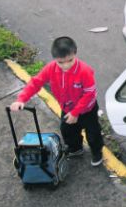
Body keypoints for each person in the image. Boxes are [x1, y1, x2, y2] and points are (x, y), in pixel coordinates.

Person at [10, 36, 105, 167]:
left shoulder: (85, 71)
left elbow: (89, 94)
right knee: (67, 131)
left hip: (87, 110)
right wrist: (22, 99)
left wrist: (76, 112)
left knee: (93, 134)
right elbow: (36, 82)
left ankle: (97, 152)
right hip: (67, 109)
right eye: (61, 62)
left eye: (70, 60)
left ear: (75, 53)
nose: (66, 65)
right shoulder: (50, 69)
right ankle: (76, 149)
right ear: (55, 59)